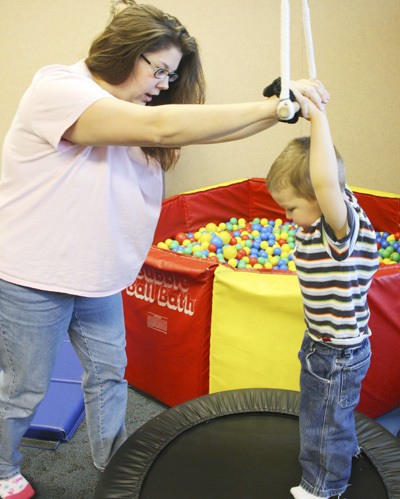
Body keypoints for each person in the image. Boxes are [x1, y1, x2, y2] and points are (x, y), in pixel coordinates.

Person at [0, 2, 329, 497]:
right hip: (33, 276)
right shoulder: (59, 89)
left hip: (99, 276)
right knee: (24, 389)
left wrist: (280, 110)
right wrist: (268, 108)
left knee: (110, 376)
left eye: (171, 76)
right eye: (158, 70)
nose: (163, 84)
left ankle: (113, 464)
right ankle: (3, 468)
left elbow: (204, 131)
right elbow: (164, 128)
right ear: (125, 52)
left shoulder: (140, 113)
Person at [266, 97, 379, 498]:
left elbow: (326, 180)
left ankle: (323, 487)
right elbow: (319, 185)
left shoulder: (339, 228)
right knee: (331, 413)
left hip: (338, 351)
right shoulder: (316, 225)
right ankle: (343, 451)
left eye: (291, 207)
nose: (286, 216)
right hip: (322, 341)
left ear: (320, 196)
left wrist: (318, 118)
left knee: (322, 420)